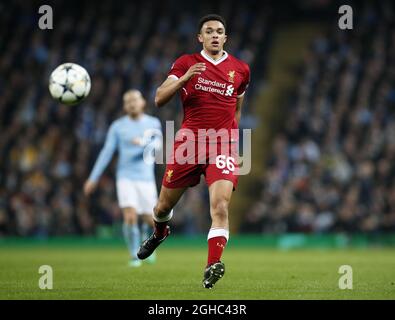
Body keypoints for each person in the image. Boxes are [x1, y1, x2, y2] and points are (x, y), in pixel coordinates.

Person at [137, 14, 250, 288]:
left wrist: (233, 141)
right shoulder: (186, 62)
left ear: (225, 37)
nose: (214, 35)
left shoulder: (241, 69)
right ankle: (160, 232)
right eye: (208, 31)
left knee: (221, 206)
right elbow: (159, 98)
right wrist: (184, 78)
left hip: (222, 143)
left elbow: (237, 105)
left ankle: (213, 264)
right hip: (189, 144)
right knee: (163, 206)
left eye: (219, 31)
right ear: (200, 37)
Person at [84, 89, 162, 267]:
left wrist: (142, 142)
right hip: (125, 177)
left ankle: (147, 243)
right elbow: (106, 152)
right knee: (130, 216)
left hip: (146, 179)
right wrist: (93, 178)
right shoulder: (118, 127)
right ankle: (135, 255)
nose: (132, 103)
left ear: (142, 103)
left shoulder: (153, 123)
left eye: (135, 100)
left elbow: (157, 146)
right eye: (128, 101)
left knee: (151, 220)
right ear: (125, 106)